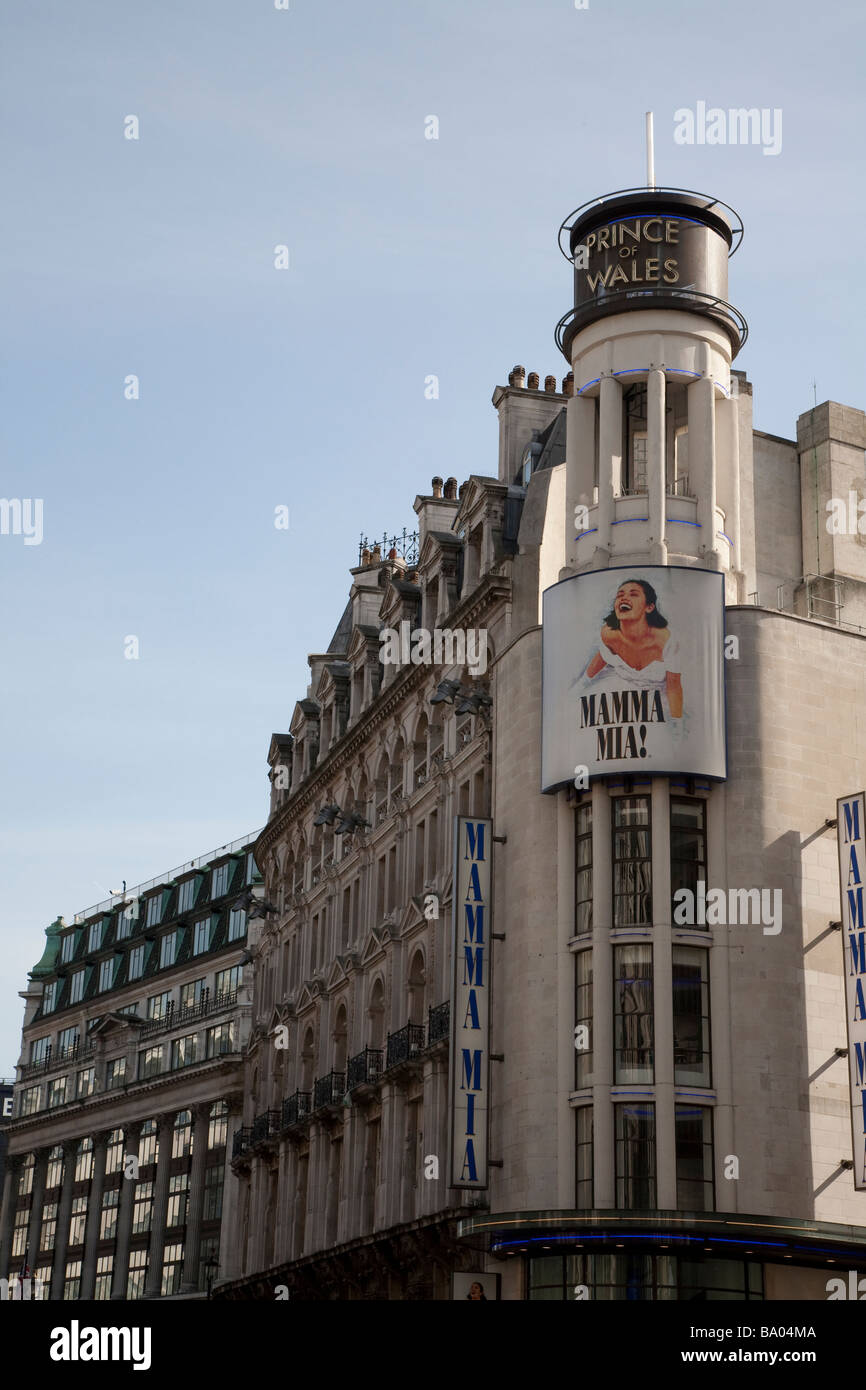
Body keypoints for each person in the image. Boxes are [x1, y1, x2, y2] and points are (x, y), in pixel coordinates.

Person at [580, 577, 683, 719]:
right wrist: (579, 687)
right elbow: (602, 657)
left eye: (633, 594)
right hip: (621, 698)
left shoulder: (666, 640)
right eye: (620, 595)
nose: (624, 599)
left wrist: (676, 725)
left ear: (649, 607)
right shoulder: (608, 634)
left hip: (657, 706)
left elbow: (674, 686)